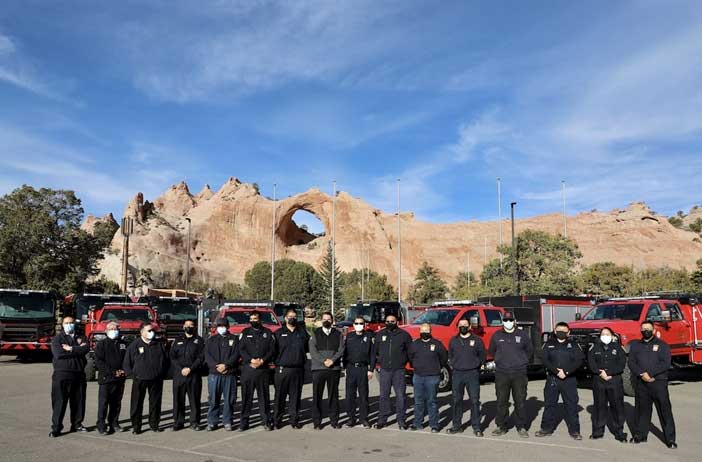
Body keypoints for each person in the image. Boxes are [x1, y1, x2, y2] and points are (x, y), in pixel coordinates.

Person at [628, 321, 677, 448]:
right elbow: (631, 363)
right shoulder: (635, 346)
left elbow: (665, 363)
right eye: (643, 329)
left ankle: (670, 439)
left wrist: (650, 374)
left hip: (658, 383)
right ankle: (640, 435)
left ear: (654, 330)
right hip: (641, 383)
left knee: (664, 411)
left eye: (648, 329)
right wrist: (641, 374)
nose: (646, 331)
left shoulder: (662, 345)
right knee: (642, 411)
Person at [535, 322, 584, 440]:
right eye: (559, 330)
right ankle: (546, 428)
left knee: (571, 405)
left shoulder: (574, 344)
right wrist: (557, 372)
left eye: (564, 330)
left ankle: (575, 431)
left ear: (569, 332)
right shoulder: (548, 344)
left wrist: (566, 372)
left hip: (569, 379)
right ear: (555, 331)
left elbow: (579, 360)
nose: (561, 332)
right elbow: (545, 360)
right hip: (553, 379)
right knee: (550, 405)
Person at [488, 311, 533, 438]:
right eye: (506, 320)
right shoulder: (497, 335)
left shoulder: (523, 335)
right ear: (503, 321)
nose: (508, 322)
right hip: (502, 373)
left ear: (515, 321)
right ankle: (501, 426)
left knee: (520, 401)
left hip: (519, 373)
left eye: (510, 320)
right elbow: (492, 351)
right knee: (502, 401)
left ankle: (521, 426)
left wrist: (521, 362)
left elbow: (529, 351)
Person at [123, 322, 168, 434]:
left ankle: (154, 424)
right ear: (141, 332)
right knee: (137, 403)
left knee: (155, 403)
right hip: (140, 378)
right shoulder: (135, 345)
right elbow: (127, 362)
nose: (151, 333)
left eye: (152, 330)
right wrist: (131, 375)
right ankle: (136, 426)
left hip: (156, 379)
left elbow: (166, 360)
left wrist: (163, 373)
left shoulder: (158, 345)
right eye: (148, 330)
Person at [49, 316, 89, 437]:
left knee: (78, 401)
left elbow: (86, 349)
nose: (69, 324)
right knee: (59, 402)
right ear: (62, 325)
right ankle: (56, 427)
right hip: (62, 374)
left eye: (71, 322)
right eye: (67, 323)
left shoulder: (81, 337)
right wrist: (77, 350)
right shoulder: (57, 339)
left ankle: (77, 424)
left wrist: (70, 349)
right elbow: (59, 354)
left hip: (78, 373)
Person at [587, 327, 627, 442]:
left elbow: (621, 363)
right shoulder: (594, 348)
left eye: (607, 334)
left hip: (614, 381)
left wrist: (609, 373)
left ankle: (619, 432)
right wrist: (600, 372)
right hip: (599, 380)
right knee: (599, 406)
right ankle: (598, 431)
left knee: (617, 407)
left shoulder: (618, 348)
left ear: (612, 335)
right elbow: (591, 362)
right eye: (603, 334)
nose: (605, 336)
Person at [373, 314, 412, 430]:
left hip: (399, 370)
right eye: (388, 321)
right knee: (384, 396)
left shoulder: (404, 335)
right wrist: (378, 362)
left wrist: (404, 362)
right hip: (385, 370)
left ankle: (401, 420)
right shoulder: (380, 334)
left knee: (400, 396)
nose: (390, 323)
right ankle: (382, 420)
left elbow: (410, 352)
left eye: (392, 321)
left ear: (397, 322)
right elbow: (375, 351)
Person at [238, 310, 276, 431]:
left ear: (260, 320)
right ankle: (244, 422)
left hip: (263, 370)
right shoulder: (245, 332)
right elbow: (241, 349)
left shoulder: (268, 333)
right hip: (248, 369)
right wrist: (251, 361)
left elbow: (272, 350)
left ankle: (266, 421)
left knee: (264, 397)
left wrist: (262, 361)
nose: (253, 321)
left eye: (255, 319)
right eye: (252, 319)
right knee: (246, 398)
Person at [447, 318, 485, 436]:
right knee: (457, 400)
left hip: (472, 374)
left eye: (465, 325)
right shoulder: (453, 340)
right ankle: (456, 426)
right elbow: (450, 355)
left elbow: (482, 355)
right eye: (460, 325)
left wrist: (476, 365)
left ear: (469, 327)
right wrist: (454, 365)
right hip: (457, 373)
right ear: (458, 327)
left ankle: (477, 427)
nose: (463, 327)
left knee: (474, 401)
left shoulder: (477, 340)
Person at [273, 308, 310, 429]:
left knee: (295, 397)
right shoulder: (278, 333)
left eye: (294, 316)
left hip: (298, 369)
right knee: (280, 397)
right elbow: (273, 351)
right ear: (285, 318)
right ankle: (277, 420)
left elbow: (307, 348)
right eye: (290, 316)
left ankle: (294, 420)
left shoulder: (302, 332)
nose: (292, 318)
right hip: (282, 370)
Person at [409, 323, 448, 433]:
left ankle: (434, 425)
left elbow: (444, 358)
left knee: (432, 401)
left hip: (432, 377)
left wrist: (436, 367)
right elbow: (410, 357)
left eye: (426, 331)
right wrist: (417, 366)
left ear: (430, 331)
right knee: (418, 401)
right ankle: (417, 423)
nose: (424, 333)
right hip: (418, 376)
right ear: (419, 331)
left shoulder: (437, 344)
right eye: (422, 331)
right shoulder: (415, 344)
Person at [309, 311, 345, 429]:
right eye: (324, 319)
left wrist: (332, 360)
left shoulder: (338, 334)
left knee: (333, 396)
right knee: (317, 396)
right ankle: (317, 422)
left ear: (332, 321)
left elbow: (341, 349)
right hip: (318, 369)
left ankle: (334, 421)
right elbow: (313, 351)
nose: (326, 321)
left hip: (333, 369)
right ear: (321, 320)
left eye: (328, 319)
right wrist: (324, 361)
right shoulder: (315, 333)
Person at [205, 317, 239, 431]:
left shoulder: (234, 339)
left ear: (228, 327)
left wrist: (226, 366)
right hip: (215, 374)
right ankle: (212, 421)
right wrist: (217, 367)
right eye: (219, 326)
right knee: (214, 399)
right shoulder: (211, 340)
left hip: (229, 374)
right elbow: (207, 356)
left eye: (223, 326)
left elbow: (236, 354)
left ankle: (227, 421)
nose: (221, 328)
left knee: (229, 399)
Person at [171, 319, 205, 431]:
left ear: (194, 327)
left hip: (193, 375)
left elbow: (201, 358)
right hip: (179, 375)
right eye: (187, 325)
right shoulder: (177, 340)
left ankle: (194, 422)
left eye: (191, 325)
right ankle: (178, 422)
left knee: (194, 400)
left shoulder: (199, 340)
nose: (189, 327)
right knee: (178, 400)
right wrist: (181, 369)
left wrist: (190, 368)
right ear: (183, 327)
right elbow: (172, 357)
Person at [94, 321, 127, 435]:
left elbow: (127, 359)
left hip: (120, 378)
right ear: (106, 331)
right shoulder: (101, 344)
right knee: (103, 403)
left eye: (116, 328)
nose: (114, 331)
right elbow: (99, 362)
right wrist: (113, 372)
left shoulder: (123, 344)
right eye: (112, 329)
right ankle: (101, 425)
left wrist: (124, 370)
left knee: (116, 403)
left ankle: (114, 423)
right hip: (106, 379)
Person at [343, 316, 375, 428]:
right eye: (356, 323)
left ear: (364, 324)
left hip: (363, 369)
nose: (358, 325)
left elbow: (372, 354)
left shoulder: (369, 336)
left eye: (361, 323)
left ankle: (364, 418)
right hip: (351, 368)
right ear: (353, 325)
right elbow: (345, 354)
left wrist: (371, 370)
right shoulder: (349, 336)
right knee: (350, 395)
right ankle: (351, 418)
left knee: (363, 395)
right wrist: (345, 368)